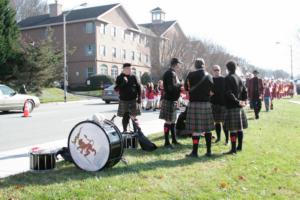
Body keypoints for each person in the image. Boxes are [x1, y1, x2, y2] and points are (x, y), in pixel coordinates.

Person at [184, 58, 215, 157]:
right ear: (204, 65)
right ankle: (209, 151)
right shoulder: (209, 76)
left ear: (195, 65)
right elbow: (213, 91)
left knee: (196, 130)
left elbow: (186, 88)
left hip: (194, 104)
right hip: (206, 104)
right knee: (208, 129)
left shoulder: (190, 75)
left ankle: (195, 152)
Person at [223, 61, 248, 154]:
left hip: (232, 106)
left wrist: (237, 101)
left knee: (233, 129)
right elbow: (245, 91)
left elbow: (228, 93)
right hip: (239, 106)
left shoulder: (227, 78)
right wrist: (244, 101)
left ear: (227, 68)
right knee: (239, 128)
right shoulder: (239, 78)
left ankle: (233, 149)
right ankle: (239, 147)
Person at [159, 58, 182, 148]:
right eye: (179, 64)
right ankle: (167, 142)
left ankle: (174, 139)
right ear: (176, 64)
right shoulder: (170, 73)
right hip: (169, 100)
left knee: (172, 122)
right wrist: (180, 85)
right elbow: (170, 88)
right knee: (168, 122)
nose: (180, 66)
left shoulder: (172, 73)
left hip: (171, 100)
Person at [115, 63, 141, 133]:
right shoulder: (119, 77)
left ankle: (136, 131)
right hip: (124, 100)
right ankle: (125, 130)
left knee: (134, 117)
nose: (130, 70)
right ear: (124, 69)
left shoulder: (134, 77)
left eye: (130, 69)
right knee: (125, 117)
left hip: (133, 100)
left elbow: (138, 87)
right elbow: (116, 89)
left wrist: (139, 98)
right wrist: (123, 83)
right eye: (128, 69)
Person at [210, 65, 229, 144]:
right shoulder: (210, 79)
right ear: (212, 71)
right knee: (217, 122)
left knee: (224, 122)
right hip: (214, 103)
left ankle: (227, 139)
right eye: (215, 70)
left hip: (223, 104)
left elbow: (226, 91)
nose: (216, 71)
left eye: (218, 70)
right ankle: (218, 138)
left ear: (220, 70)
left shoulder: (224, 79)